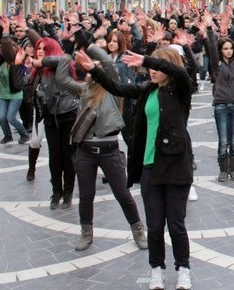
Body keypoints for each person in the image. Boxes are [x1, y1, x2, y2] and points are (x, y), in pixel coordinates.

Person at [84, 47, 195, 290]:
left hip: (176, 167)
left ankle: (183, 268)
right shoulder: (148, 90)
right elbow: (119, 89)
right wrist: (95, 70)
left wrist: (147, 59)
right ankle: (157, 269)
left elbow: (178, 71)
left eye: (157, 67)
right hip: (149, 167)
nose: (152, 71)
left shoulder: (181, 90)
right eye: (150, 67)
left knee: (176, 225)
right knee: (154, 226)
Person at [54, 45, 148, 252]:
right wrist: (67, 51)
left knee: (123, 194)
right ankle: (86, 232)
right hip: (85, 151)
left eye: (97, 70)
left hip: (109, 150)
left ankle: (138, 229)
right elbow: (61, 79)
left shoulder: (113, 90)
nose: (93, 72)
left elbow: (107, 64)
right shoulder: (83, 90)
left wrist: (91, 45)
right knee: (86, 196)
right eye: (90, 70)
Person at [30, 37, 79, 209]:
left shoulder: (60, 65)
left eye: (44, 48)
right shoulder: (39, 71)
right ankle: (56, 191)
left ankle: (68, 192)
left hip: (68, 114)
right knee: (54, 156)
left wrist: (39, 61)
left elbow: (60, 59)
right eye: (38, 48)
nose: (40, 51)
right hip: (51, 116)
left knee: (68, 156)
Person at [200, 14, 234, 181]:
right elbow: (211, 46)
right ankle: (223, 170)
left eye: (230, 48)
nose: (228, 51)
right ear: (221, 50)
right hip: (221, 106)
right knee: (223, 141)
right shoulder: (217, 63)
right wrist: (210, 27)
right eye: (225, 48)